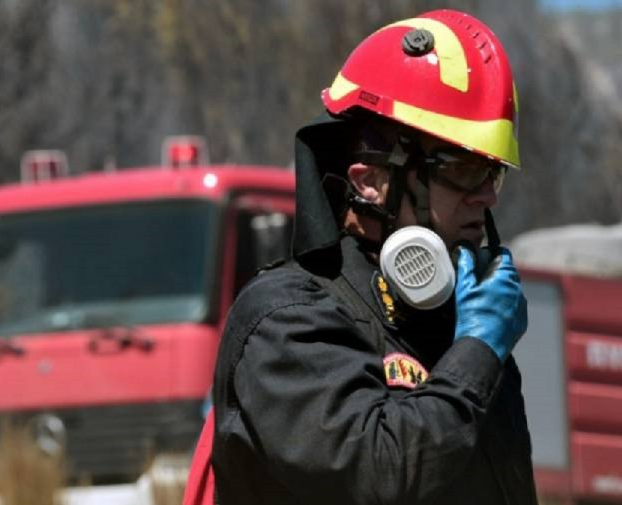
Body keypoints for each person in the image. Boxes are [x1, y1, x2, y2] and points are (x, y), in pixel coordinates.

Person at [211, 8, 536, 504]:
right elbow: (380, 473)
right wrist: (475, 355)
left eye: (491, 174)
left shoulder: (455, 331)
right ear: (371, 181)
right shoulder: (286, 322)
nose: (487, 198)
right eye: (465, 171)